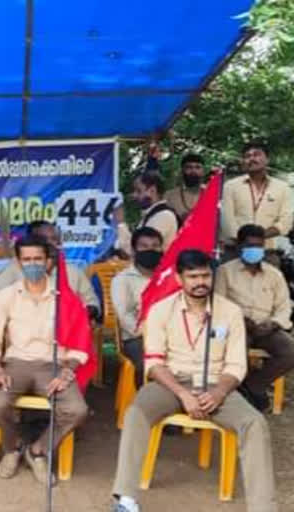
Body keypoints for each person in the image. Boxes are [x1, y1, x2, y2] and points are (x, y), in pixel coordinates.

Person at [111, 250, 277, 512]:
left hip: (216, 385)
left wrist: (220, 393)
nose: (200, 282)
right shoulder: (160, 310)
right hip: (170, 383)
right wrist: (183, 394)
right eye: (193, 276)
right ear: (179, 278)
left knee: (255, 423)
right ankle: (126, 499)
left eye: (205, 275)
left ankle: (264, 508)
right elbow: (154, 364)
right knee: (136, 413)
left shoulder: (230, 312)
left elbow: (236, 365)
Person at [0, 236, 89, 484]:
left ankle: (38, 450)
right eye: (27, 259)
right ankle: (13, 447)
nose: (33, 264)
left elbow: (79, 346)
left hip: (54, 365)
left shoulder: (66, 299)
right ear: (18, 262)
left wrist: (67, 370)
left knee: (77, 410)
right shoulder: (6, 296)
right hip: (16, 364)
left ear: (48, 261)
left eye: (38, 259)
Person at [215, 224, 294, 412]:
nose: (255, 250)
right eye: (250, 246)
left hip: (266, 327)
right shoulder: (225, 271)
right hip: (236, 326)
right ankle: (242, 393)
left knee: (290, 351)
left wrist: (274, 324)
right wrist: (239, 320)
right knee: (234, 351)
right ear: (239, 247)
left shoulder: (274, 274)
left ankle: (251, 387)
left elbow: (284, 307)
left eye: (259, 246)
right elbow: (218, 303)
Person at [0, 221, 100, 318]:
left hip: (68, 333)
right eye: (45, 239)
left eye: (55, 239)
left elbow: (93, 303)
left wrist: (83, 313)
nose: (52, 244)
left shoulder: (73, 272)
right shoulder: (14, 270)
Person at [221, 141, 293, 260]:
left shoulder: (283, 188)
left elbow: (286, 222)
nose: (252, 159)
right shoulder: (230, 186)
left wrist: (258, 238)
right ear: (243, 161)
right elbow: (227, 220)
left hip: (268, 252)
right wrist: (245, 241)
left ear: (267, 160)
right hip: (235, 251)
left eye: (257, 154)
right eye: (247, 156)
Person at [111, 227, 164, 385]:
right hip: (137, 338)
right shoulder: (122, 280)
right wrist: (147, 334)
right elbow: (124, 316)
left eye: (155, 246)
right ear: (134, 251)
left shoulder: (169, 277)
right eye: (144, 246)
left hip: (170, 335)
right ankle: (145, 403)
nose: (151, 250)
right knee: (148, 366)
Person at [163, 153, 206, 222]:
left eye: (197, 167)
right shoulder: (169, 196)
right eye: (189, 167)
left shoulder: (213, 194)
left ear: (203, 171)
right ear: (182, 170)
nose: (193, 171)